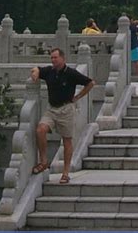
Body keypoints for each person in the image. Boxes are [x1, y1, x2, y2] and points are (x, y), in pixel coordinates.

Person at [31, 48, 94, 183]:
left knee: (67, 140)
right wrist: (35, 73)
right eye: (52, 58)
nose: (53, 60)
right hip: (52, 109)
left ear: (63, 59)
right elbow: (36, 68)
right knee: (40, 130)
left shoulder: (71, 73)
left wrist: (78, 97)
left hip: (66, 109)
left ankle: (65, 172)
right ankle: (43, 161)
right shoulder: (49, 71)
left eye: (55, 58)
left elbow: (90, 83)